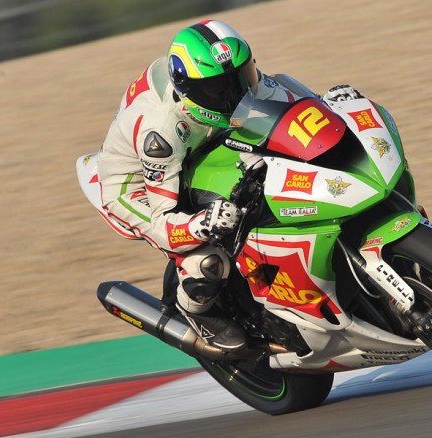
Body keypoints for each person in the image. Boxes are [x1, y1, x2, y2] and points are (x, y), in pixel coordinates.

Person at [97, 19, 362, 352]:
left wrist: (330, 106)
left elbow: (289, 105)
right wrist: (200, 223)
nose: (234, 94)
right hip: (138, 182)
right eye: (217, 89)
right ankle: (194, 310)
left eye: (240, 77)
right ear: (189, 90)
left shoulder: (236, 86)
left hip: (202, 145)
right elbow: (163, 222)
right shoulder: (161, 131)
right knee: (208, 257)